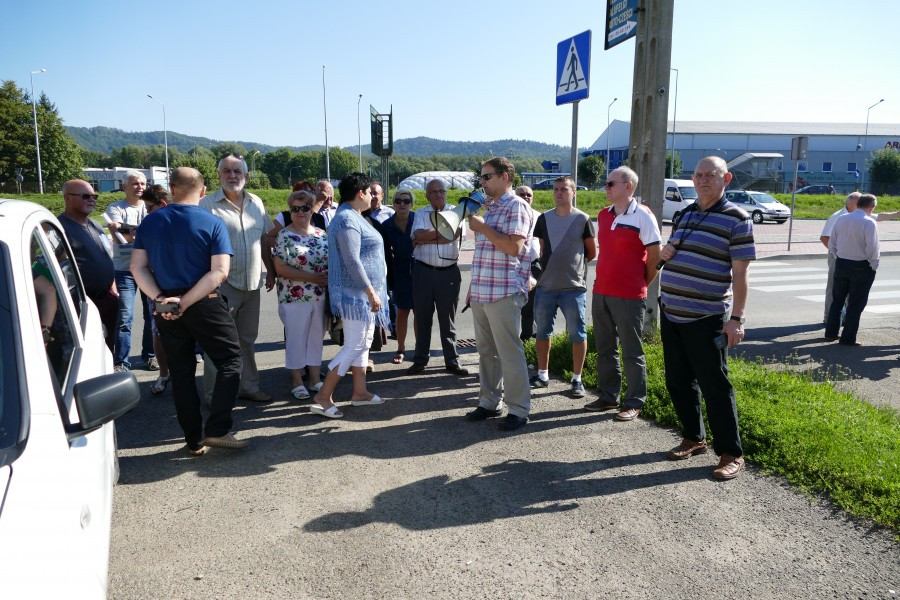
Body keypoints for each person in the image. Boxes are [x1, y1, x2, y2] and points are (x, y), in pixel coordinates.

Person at [131, 167, 247, 455]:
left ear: (171, 188)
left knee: (181, 372)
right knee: (230, 360)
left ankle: (193, 440)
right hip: (204, 302)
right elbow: (219, 272)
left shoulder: (150, 221)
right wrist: (186, 301)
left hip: (165, 304)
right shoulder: (212, 221)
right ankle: (218, 428)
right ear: (203, 191)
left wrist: (162, 299)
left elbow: (137, 267)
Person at [658, 156, 755, 480]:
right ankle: (694, 437)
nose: (702, 180)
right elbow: (670, 251)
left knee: (715, 385)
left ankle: (731, 452)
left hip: (707, 317)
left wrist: (736, 319)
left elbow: (740, 275)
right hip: (671, 312)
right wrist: (664, 252)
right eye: (698, 175)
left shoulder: (737, 219)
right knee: (677, 381)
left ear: (725, 178)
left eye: (709, 175)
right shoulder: (684, 214)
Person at [584, 166, 661, 421]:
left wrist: (641, 283)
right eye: (606, 184)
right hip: (602, 291)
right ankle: (608, 396)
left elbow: (655, 257)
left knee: (631, 350)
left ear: (628, 186)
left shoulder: (643, 215)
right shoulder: (603, 215)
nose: (606, 187)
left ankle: (634, 401)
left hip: (629, 295)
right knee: (605, 347)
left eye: (610, 184)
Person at [312, 172, 389, 418]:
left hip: (363, 294)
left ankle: (360, 393)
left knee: (363, 342)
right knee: (355, 344)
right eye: (369, 192)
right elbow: (352, 261)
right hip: (355, 295)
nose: (372, 196)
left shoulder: (355, 216)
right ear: (360, 193)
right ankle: (323, 396)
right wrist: (369, 292)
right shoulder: (347, 219)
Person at [465, 157, 534, 431]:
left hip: (504, 291)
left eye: (487, 177)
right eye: (481, 177)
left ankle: (518, 409)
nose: (482, 182)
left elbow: (514, 248)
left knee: (509, 353)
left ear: (505, 177)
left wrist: (482, 228)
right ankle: (489, 402)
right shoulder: (491, 207)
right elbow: (484, 253)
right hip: (483, 291)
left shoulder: (516, 206)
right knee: (486, 352)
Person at [200, 154, 274, 403]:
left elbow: (264, 239)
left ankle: (248, 387)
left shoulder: (256, 202)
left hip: (253, 282)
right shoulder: (207, 205)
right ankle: (214, 396)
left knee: (247, 340)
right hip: (222, 285)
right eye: (227, 171)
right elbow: (200, 247)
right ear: (219, 175)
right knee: (218, 344)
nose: (232, 176)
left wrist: (271, 271)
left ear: (246, 176)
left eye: (237, 171)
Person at [529, 176, 597, 397]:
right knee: (542, 332)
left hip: (573, 288)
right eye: (556, 189)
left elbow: (591, 252)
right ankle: (542, 374)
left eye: (564, 189)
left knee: (578, 334)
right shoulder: (544, 219)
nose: (559, 193)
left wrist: (573, 269)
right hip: (545, 287)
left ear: (573, 192)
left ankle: (577, 380)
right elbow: (543, 250)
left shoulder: (583, 219)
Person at [406, 179, 468, 376]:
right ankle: (420, 360)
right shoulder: (421, 213)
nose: (439, 194)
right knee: (422, 318)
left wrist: (428, 236)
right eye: (434, 192)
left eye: (442, 191)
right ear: (427, 195)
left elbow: (455, 234)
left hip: (449, 273)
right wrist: (442, 234)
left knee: (447, 320)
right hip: (423, 271)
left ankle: (452, 360)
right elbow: (417, 236)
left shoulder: (456, 212)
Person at [272, 190, 328, 398]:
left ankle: (315, 379)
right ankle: (297, 381)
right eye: (295, 208)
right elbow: (281, 269)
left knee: (316, 338)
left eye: (305, 207)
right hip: (293, 297)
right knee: (296, 339)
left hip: (319, 296)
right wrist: (313, 278)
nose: (300, 212)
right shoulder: (284, 236)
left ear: (312, 208)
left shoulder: (321, 234)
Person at [104, 170, 156, 373]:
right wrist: (143, 232)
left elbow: (124, 233)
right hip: (124, 270)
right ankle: (121, 362)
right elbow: (118, 236)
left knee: (151, 315)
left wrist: (128, 231)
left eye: (143, 183)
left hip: (149, 269)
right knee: (125, 316)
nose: (140, 187)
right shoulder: (116, 207)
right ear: (124, 185)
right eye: (135, 183)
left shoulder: (150, 207)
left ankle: (150, 356)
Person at [57, 180, 118, 352]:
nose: (92, 199)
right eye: (85, 196)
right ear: (68, 198)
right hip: (83, 302)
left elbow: (105, 255)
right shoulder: (59, 227)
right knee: (89, 351)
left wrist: (112, 287)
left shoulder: (95, 224)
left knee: (107, 348)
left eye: (94, 196)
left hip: (107, 298)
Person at [820, 192, 900, 322]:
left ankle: (841, 320)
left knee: (847, 292)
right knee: (834, 290)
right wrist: (837, 255)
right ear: (848, 203)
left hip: (846, 259)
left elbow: (879, 216)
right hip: (838, 258)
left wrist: (897, 213)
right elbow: (825, 238)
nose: (860, 205)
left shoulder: (859, 215)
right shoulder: (838, 216)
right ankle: (829, 318)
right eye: (857, 202)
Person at [825, 194, 880, 346]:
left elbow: (832, 243)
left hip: (842, 264)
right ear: (872, 207)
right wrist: (873, 266)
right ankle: (848, 338)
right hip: (861, 266)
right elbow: (873, 249)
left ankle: (830, 333)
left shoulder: (842, 219)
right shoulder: (869, 222)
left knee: (837, 301)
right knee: (855, 304)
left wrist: (838, 256)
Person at [140, 185, 173, 395]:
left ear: (162, 205)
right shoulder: (149, 226)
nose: (146, 213)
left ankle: (182, 376)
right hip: (159, 290)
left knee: (184, 333)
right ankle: (164, 374)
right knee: (159, 332)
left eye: (149, 207)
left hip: (183, 289)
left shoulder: (182, 224)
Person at [380, 189, 417, 364]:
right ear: (393, 203)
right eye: (399, 201)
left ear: (412, 203)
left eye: (406, 201)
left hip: (419, 269)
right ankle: (401, 349)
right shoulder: (386, 226)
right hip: (399, 270)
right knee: (402, 312)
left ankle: (419, 349)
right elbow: (384, 254)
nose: (402, 204)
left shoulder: (418, 219)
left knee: (420, 312)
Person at [515, 185, 542, 341]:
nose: (525, 197)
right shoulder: (510, 215)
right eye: (522, 194)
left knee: (532, 306)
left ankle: (528, 338)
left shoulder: (539, 217)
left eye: (529, 195)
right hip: (513, 265)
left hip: (534, 265)